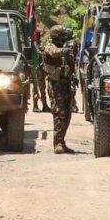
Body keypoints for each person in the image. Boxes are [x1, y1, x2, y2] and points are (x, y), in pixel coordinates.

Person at [40, 23, 77, 153]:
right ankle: (57, 143)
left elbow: (71, 65)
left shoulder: (66, 48)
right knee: (58, 113)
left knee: (67, 114)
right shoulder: (50, 46)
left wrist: (74, 77)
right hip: (56, 85)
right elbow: (53, 53)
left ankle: (62, 140)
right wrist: (64, 51)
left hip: (66, 83)